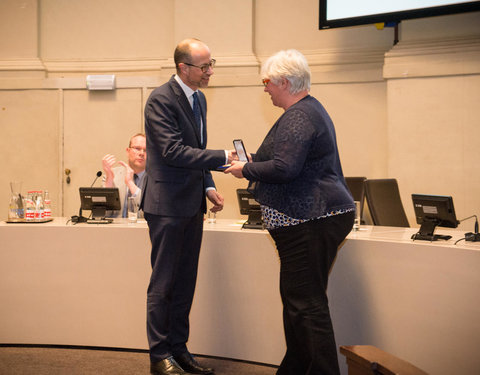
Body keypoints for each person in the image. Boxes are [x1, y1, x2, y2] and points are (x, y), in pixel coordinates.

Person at [225, 49, 355, 375]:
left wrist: (247, 169)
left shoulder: (299, 115)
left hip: (310, 219)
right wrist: (250, 162)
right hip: (310, 218)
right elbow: (288, 161)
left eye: (267, 82)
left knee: (306, 304)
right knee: (298, 301)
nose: (265, 89)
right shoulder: (307, 112)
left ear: (284, 81)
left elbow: (284, 168)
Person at [142, 39, 233, 375]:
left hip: (191, 202)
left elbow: (195, 149)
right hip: (166, 205)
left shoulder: (200, 99)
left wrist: (208, 185)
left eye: (211, 64)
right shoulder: (161, 99)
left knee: (185, 282)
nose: (210, 71)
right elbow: (173, 151)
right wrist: (223, 157)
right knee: (164, 283)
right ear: (183, 68)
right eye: (204, 66)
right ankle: (159, 355)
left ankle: (179, 349)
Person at [102, 133, 147, 218]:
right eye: (137, 148)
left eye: (146, 150)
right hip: (115, 230)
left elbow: (149, 213)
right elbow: (103, 214)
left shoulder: (155, 179)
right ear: (128, 151)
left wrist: (130, 183)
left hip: (142, 230)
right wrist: (110, 181)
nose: (141, 153)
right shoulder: (112, 175)